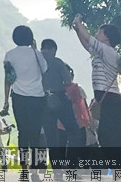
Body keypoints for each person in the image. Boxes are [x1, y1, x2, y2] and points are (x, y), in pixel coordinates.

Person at [71, 14, 121, 148]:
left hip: (110, 99)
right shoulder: (102, 53)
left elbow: (89, 39)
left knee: (110, 136)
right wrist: (78, 30)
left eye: (99, 32)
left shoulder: (109, 52)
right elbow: (87, 45)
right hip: (107, 99)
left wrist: (79, 23)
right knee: (107, 134)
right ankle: (117, 165)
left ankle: (118, 165)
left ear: (107, 37)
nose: (96, 34)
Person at [1, 25, 47, 179]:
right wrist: (34, 49)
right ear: (30, 37)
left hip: (19, 98)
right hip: (38, 98)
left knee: (23, 133)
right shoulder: (36, 53)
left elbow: (8, 79)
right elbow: (44, 69)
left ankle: (24, 168)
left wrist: (6, 101)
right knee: (35, 133)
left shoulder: (9, 55)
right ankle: (35, 168)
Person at [39, 39, 82, 168]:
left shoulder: (36, 62)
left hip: (43, 101)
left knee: (51, 137)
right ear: (53, 50)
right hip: (59, 98)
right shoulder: (57, 62)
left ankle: (57, 171)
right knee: (74, 131)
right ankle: (71, 164)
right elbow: (68, 81)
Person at [61, 66, 90, 148]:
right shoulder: (77, 88)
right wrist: (88, 120)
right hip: (78, 124)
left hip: (61, 126)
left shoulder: (56, 91)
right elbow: (83, 106)